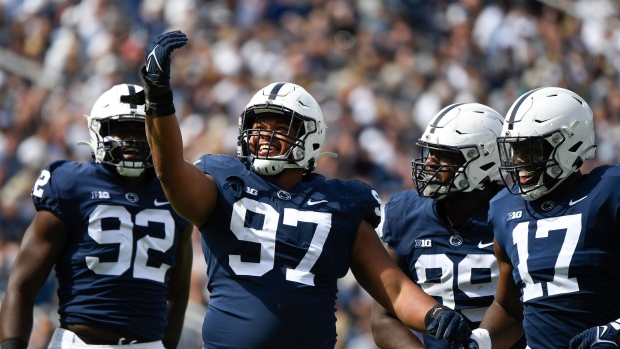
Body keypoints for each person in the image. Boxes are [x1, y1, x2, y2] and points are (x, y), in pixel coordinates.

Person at [122, 30, 473, 348]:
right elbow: (168, 170)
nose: (264, 137)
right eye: (258, 126)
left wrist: (433, 315)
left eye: (280, 127)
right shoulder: (224, 181)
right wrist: (159, 97)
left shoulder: (341, 202)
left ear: (310, 136)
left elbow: (392, 287)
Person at [0, 84, 194, 349]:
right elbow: (22, 284)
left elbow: (178, 291)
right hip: (81, 343)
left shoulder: (176, 193)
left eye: (141, 130)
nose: (132, 141)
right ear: (97, 131)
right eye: (121, 129)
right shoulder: (72, 184)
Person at [464, 87, 620, 349]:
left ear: (569, 142)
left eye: (529, 150)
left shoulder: (610, 190)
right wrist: (481, 339)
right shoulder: (504, 208)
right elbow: (510, 309)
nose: (518, 162)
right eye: (514, 150)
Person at [371, 103, 526, 349]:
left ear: (483, 163)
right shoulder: (407, 214)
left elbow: (521, 312)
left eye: (444, 155)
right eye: (430, 152)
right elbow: (384, 316)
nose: (430, 163)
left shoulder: (516, 213)